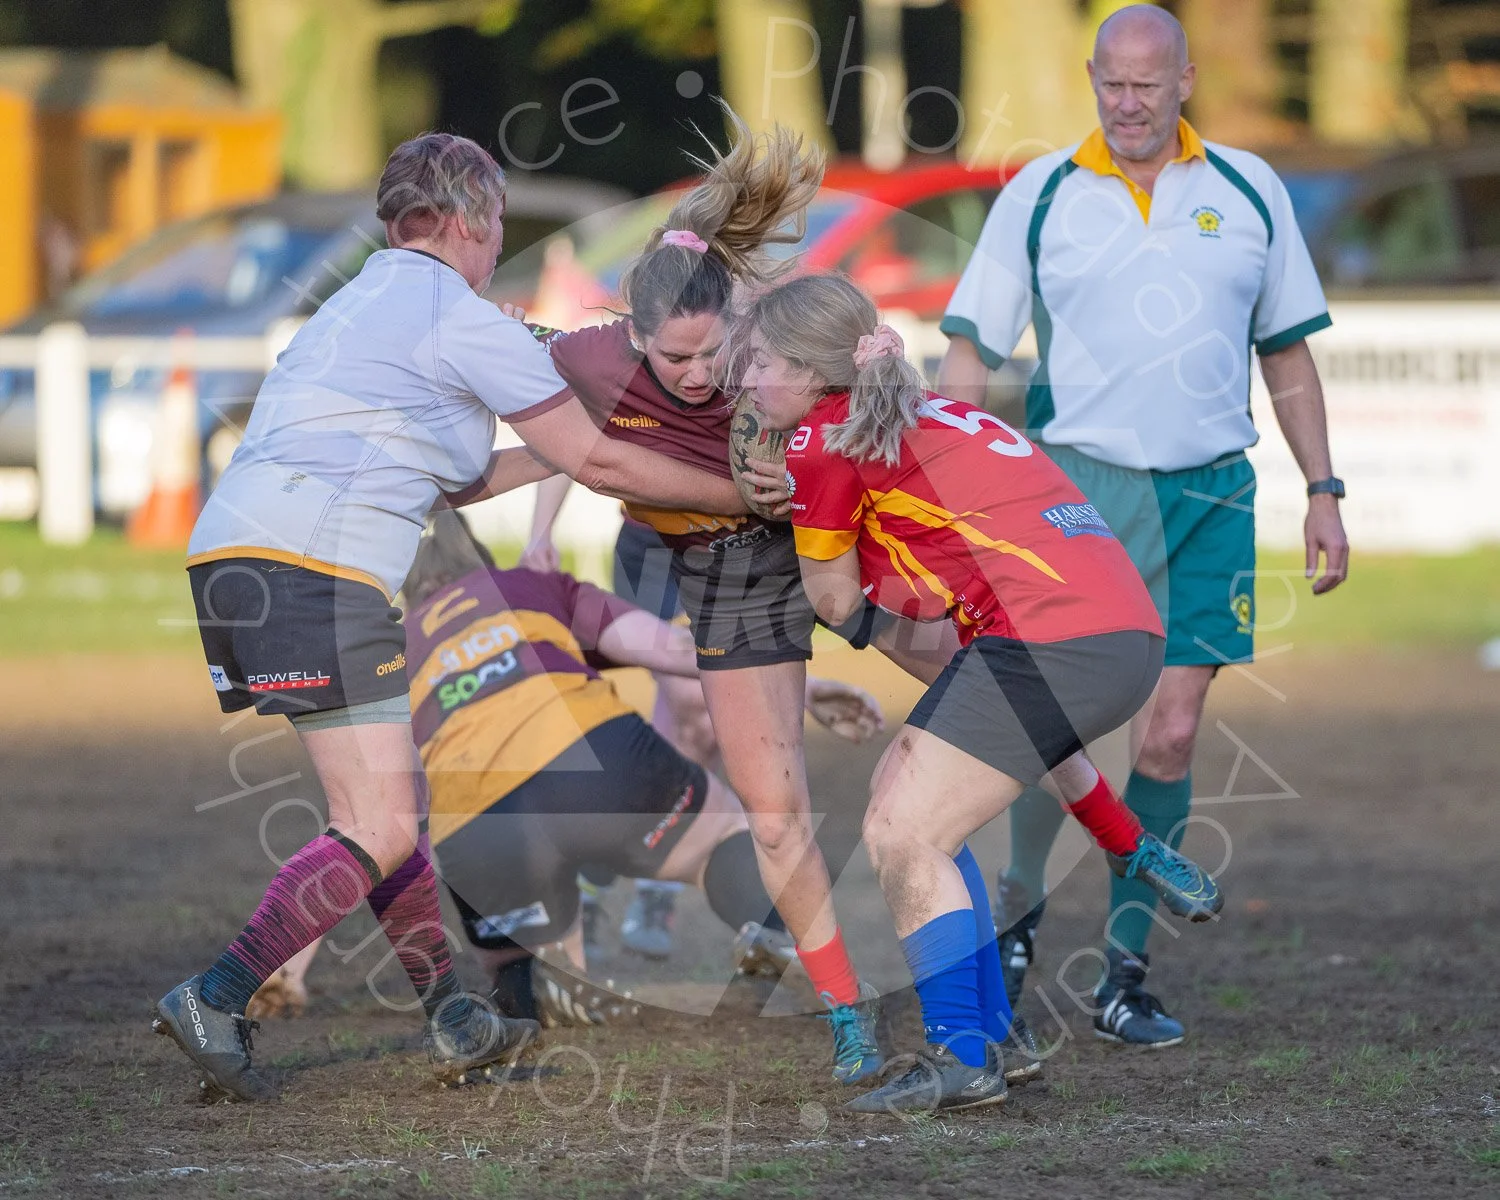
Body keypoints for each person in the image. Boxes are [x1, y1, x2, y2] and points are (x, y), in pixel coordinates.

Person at [153, 132, 758, 1103]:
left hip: (236, 558)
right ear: (472, 222)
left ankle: (452, 1015)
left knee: (382, 814)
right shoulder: (453, 310)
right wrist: (733, 492)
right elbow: (595, 459)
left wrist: (571, 447)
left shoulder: (355, 306)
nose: (496, 253)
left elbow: (470, 476)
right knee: (382, 822)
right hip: (320, 566)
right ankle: (218, 993)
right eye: (499, 231)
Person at [937, 4, 1348, 1047]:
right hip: (1079, 491)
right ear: (1092, 78)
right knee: (1063, 726)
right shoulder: (1039, 194)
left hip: (1212, 492)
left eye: (1145, 84)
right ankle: (1024, 915)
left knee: (1169, 729)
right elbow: (970, 351)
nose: (1126, 103)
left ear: (1185, 82)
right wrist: (962, 493)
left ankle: (1125, 971)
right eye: (1109, 83)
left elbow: (1288, 355)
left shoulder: (1251, 190)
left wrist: (1324, 488)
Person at [506, 105, 938, 1086]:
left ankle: (1083, 834)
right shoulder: (591, 359)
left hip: (832, 544)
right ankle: (848, 1024)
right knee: (774, 810)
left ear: (738, 320)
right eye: (677, 361)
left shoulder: (776, 335)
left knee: (981, 682)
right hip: (725, 576)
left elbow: (878, 397)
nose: (702, 377)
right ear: (635, 336)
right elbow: (530, 432)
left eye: (716, 355)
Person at [734, 273, 1221, 1114]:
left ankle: (961, 1058)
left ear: (816, 376)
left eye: (761, 362)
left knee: (900, 831)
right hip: (1119, 629)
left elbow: (835, 602)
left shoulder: (822, 440)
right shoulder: (924, 410)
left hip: (1055, 638)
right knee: (911, 800)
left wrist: (788, 516)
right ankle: (1000, 1036)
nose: (745, 379)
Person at [248, 511, 887, 1027]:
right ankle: (771, 926)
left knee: (509, 951)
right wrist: (804, 689)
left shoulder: (392, 654)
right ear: (478, 553)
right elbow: (679, 653)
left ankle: (538, 988)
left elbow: (369, 827)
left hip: (480, 831)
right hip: (600, 768)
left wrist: (292, 962)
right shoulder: (530, 587)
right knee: (723, 838)